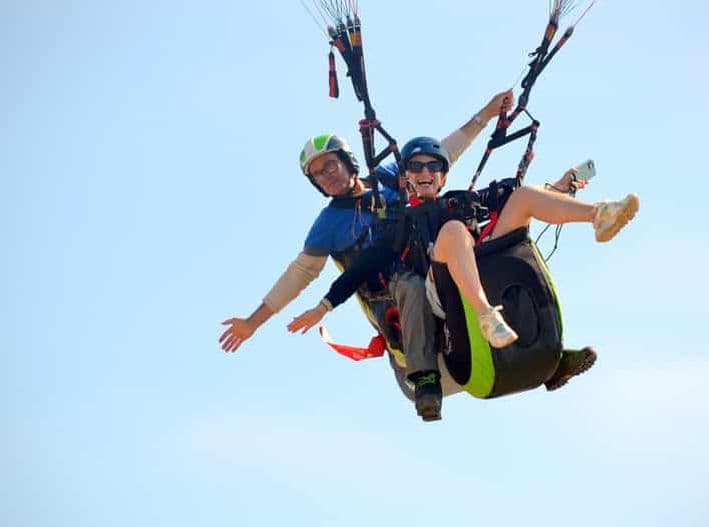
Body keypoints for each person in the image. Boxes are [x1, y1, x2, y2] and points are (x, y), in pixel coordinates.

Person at [219, 91, 515, 421]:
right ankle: (425, 380)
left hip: (432, 265)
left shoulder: (390, 178)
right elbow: (298, 275)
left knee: (476, 236)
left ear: (348, 162)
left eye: (330, 165)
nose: (327, 175)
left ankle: (525, 329)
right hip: (393, 299)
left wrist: (487, 114)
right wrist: (252, 322)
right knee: (411, 285)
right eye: (318, 174)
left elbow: (443, 151)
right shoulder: (328, 226)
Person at [288, 136, 638, 410]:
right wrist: (324, 306)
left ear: (443, 175)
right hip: (438, 299)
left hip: (476, 274)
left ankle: (599, 215)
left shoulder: (461, 202)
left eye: (432, 167)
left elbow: (513, 201)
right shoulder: (398, 224)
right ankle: (486, 315)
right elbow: (361, 268)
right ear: (405, 179)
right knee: (454, 231)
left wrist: (561, 187)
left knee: (522, 198)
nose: (424, 173)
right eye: (416, 168)